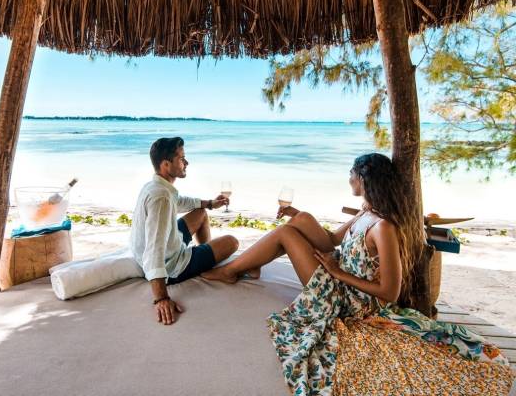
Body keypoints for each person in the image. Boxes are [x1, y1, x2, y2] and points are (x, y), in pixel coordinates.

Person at [203, 153, 514, 395]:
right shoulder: (367, 212)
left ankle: (233, 270)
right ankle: (249, 266)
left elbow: (389, 292)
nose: (348, 178)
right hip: (339, 279)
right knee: (295, 224)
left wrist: (338, 272)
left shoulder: (384, 227)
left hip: (352, 300)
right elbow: (333, 240)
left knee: (286, 234)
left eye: (352, 173)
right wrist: (300, 215)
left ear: (363, 178)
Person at [130, 137, 239, 326]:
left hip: (166, 246)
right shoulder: (161, 197)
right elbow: (154, 249)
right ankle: (205, 267)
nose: (186, 163)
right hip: (171, 266)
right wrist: (161, 298)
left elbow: (179, 201)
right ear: (166, 164)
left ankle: (204, 259)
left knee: (201, 213)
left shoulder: (156, 186)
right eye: (181, 159)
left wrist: (210, 203)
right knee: (232, 242)